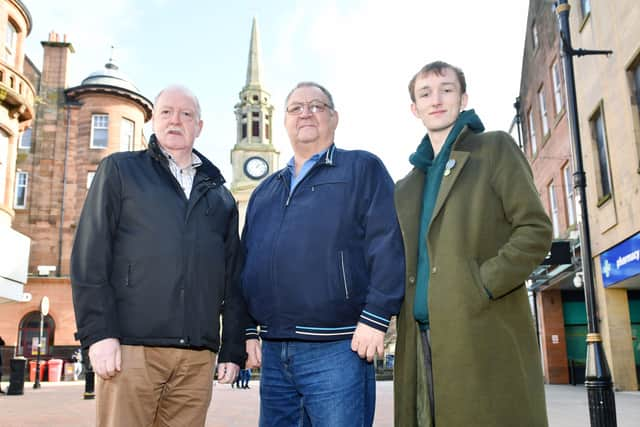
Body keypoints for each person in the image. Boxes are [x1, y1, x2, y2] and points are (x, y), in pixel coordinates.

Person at [71, 85, 248, 427]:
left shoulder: (221, 197)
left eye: (186, 114)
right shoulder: (119, 170)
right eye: (166, 112)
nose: (175, 120)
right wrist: (98, 334)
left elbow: (233, 280)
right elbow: (90, 256)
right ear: (153, 120)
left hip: (197, 357)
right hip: (130, 349)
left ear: (199, 126)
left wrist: (232, 348)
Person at [393, 61, 553, 427]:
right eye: (425, 93)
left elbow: (534, 229)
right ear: (414, 108)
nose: (437, 100)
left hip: (479, 332)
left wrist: (482, 284)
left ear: (463, 98)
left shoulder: (493, 148)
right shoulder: (405, 186)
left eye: (447, 90)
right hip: (418, 344)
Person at [241, 81, 405, 427]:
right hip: (274, 350)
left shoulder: (361, 168)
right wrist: (249, 330)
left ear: (334, 118)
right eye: (296, 107)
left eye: (316, 106)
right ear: (284, 121)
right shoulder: (264, 192)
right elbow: (247, 265)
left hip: (338, 347)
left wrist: (376, 316)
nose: (305, 112)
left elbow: (389, 243)